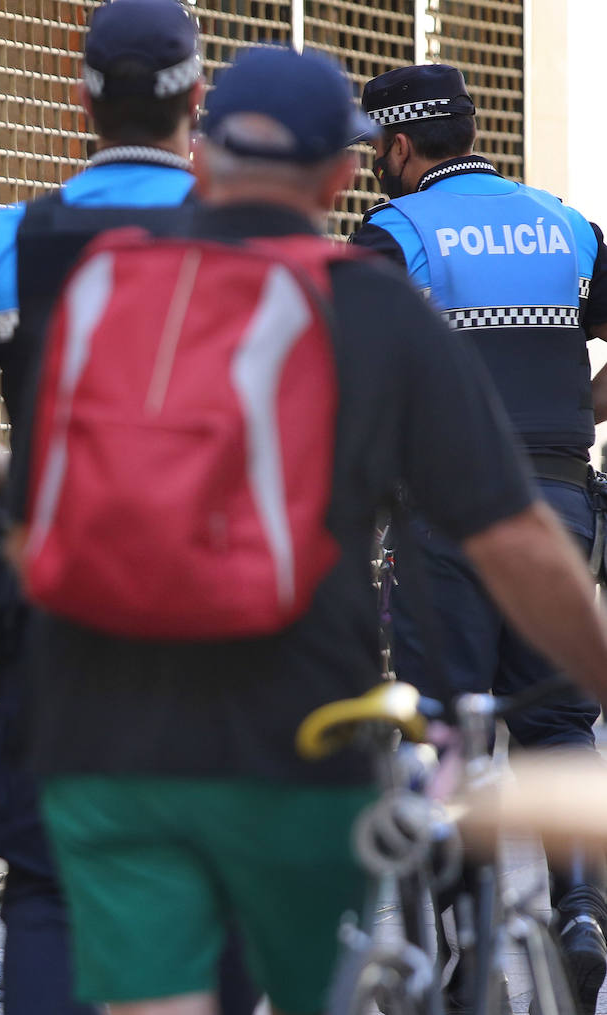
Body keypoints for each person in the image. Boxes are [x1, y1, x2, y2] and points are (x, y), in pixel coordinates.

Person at [16, 45, 607, 1015]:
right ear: (341, 172)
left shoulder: (94, 285)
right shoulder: (364, 297)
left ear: (202, 149)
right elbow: (513, 541)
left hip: (96, 731)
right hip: (285, 736)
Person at [0, 3, 255, 1013]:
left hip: (60, 620)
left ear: (81, 99)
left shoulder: (12, 237)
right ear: (198, 102)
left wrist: (28, 485)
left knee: (55, 889)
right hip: (215, 627)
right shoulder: (245, 239)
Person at [352, 64, 607, 1011]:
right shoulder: (567, 224)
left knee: (442, 731)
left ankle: (462, 952)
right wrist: (577, 409)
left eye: (375, 146)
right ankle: (581, 909)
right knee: (557, 722)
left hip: (445, 516)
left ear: (401, 146)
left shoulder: (395, 234)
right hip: (560, 500)